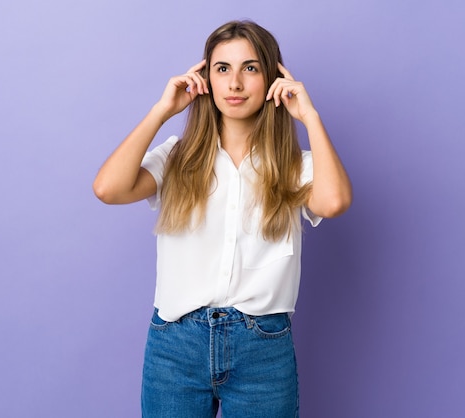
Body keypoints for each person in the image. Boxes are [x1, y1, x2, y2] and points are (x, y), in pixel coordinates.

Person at [93, 20, 352, 418]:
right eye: (222, 69)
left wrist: (310, 117)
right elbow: (108, 188)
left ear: (271, 79)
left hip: (263, 348)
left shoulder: (294, 166)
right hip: (175, 347)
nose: (234, 83)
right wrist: (162, 110)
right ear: (206, 80)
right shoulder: (176, 158)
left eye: (250, 68)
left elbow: (334, 202)